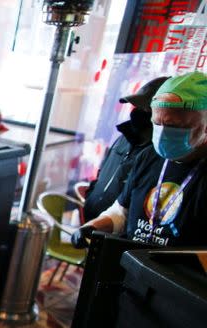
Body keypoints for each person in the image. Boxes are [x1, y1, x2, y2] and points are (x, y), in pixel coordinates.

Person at [73, 71, 207, 248]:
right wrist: (93, 227)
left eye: (174, 126)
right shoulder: (148, 156)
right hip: (132, 268)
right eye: (157, 124)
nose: (163, 133)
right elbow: (122, 212)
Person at [82, 77, 169, 222]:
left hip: (116, 230)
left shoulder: (158, 154)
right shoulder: (122, 139)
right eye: (136, 106)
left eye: (145, 109)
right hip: (92, 221)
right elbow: (103, 172)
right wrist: (91, 196)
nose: (137, 112)